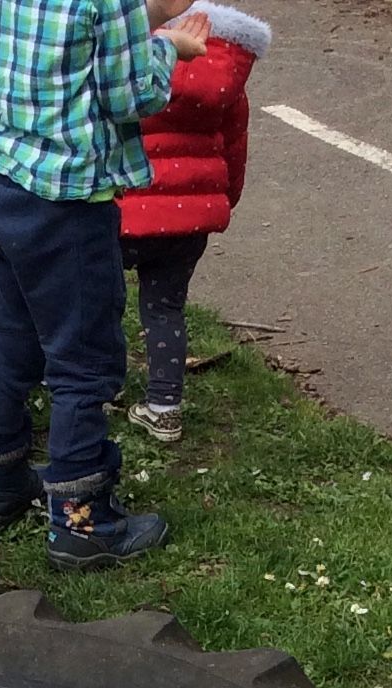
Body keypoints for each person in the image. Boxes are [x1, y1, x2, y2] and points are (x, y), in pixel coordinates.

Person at [0, 0, 209, 570]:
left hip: (6, 178)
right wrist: (167, 47)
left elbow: (59, 59)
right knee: (85, 364)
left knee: (11, 339)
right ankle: (82, 524)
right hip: (70, 205)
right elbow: (132, 97)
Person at [117, 6, 271, 444]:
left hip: (125, 209)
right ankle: (165, 407)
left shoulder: (138, 64)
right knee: (165, 308)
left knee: (105, 300)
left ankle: (102, 385)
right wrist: (226, 198)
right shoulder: (228, 85)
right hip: (190, 220)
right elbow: (234, 148)